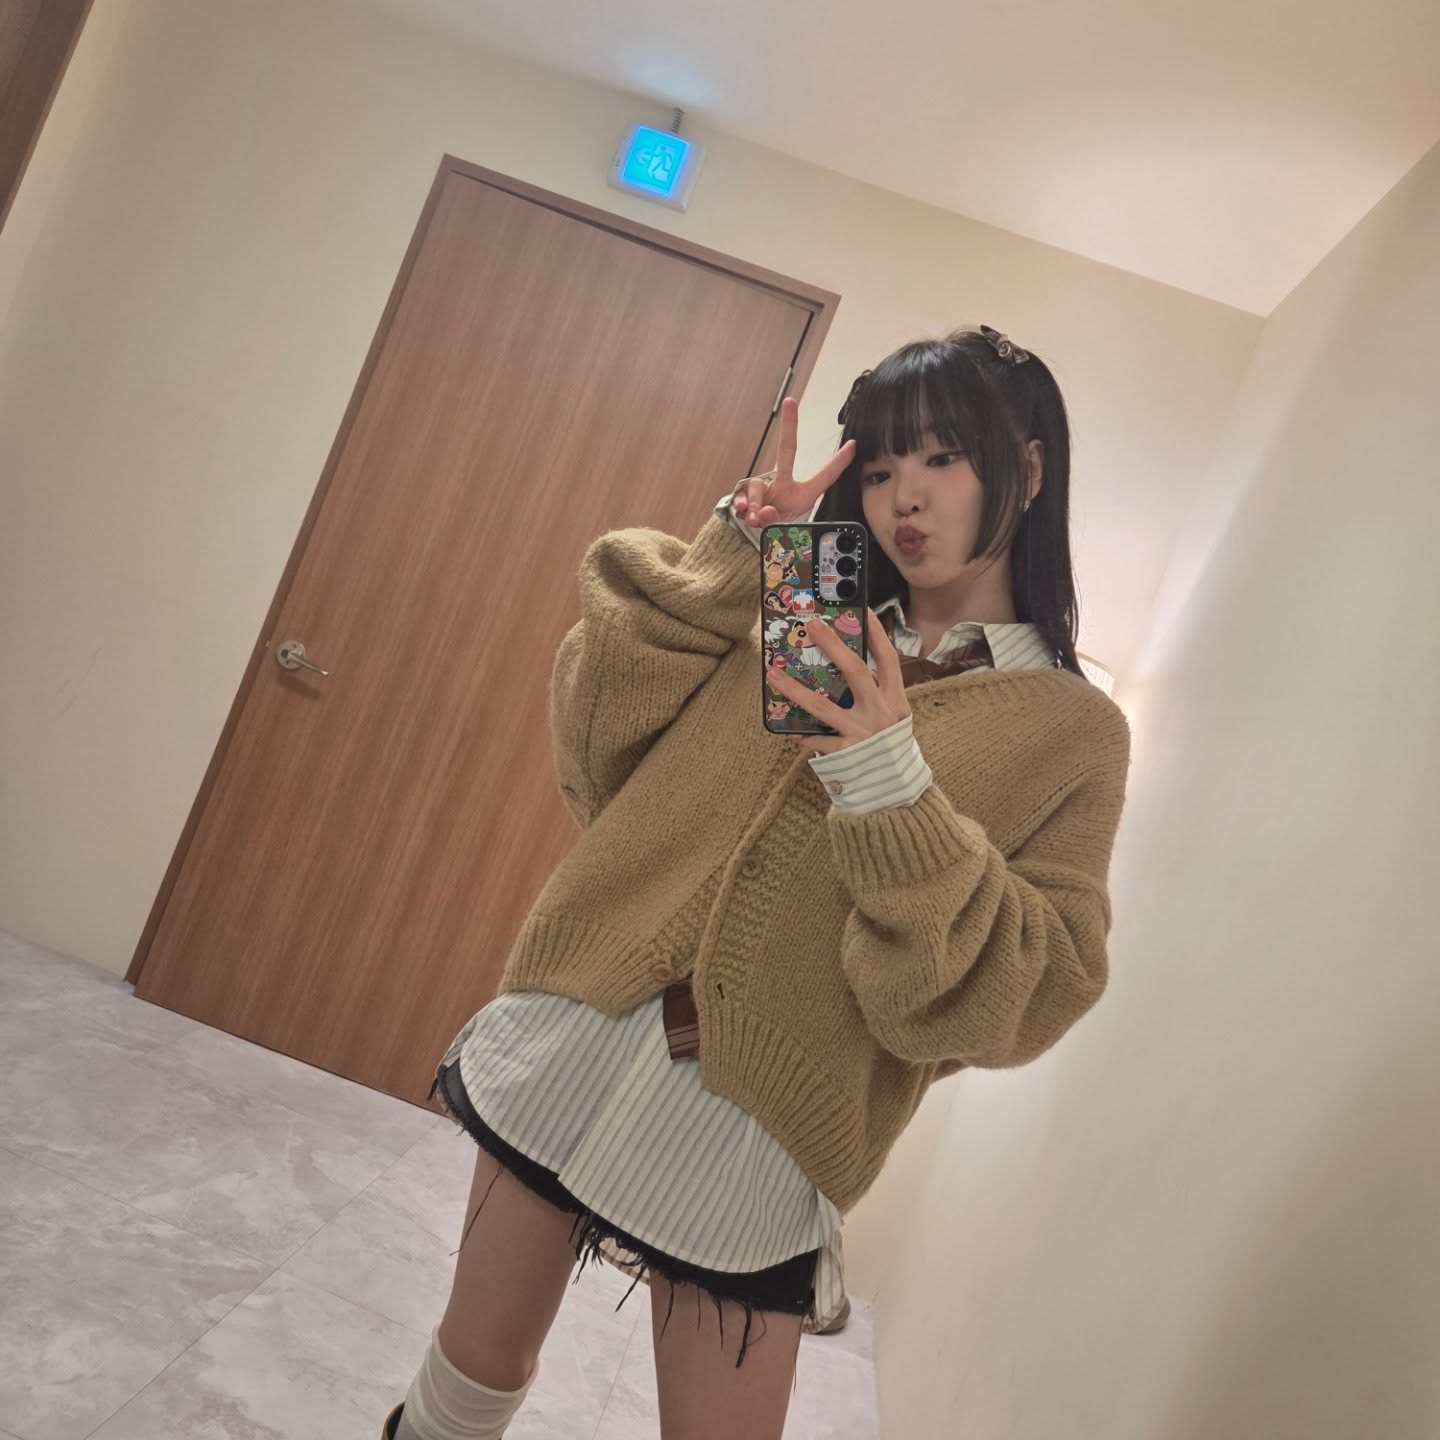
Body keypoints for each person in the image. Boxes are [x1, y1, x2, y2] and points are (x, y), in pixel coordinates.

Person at [383, 325, 1131, 1440]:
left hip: (760, 1131)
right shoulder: (807, 606)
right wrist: (737, 553)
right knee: (467, 1379)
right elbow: (602, 750)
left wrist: (891, 789)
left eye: (941, 457)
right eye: (880, 467)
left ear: (1025, 470)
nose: (903, 497)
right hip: (574, 1032)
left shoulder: (1072, 733)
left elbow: (1024, 994)